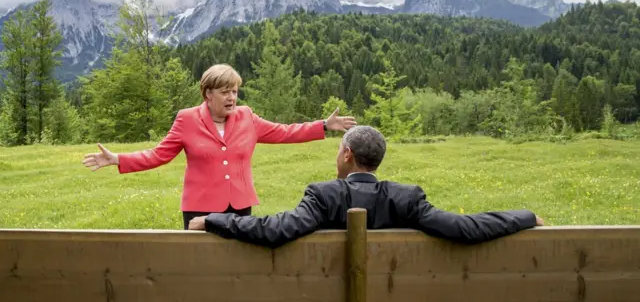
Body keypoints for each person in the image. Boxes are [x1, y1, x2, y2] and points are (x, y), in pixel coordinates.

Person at [82, 63, 357, 229]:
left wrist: (322, 125)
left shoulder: (247, 116)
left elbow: (283, 132)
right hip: (199, 207)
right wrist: (118, 159)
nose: (232, 97)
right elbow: (159, 155)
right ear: (208, 93)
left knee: (237, 266)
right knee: (201, 267)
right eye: (225, 92)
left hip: (239, 206)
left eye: (235, 91)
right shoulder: (186, 119)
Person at [188, 125, 544, 248]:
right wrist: (525, 216)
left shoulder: (323, 195)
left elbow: (275, 230)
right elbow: (465, 228)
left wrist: (215, 220)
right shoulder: (406, 198)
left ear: (346, 154)